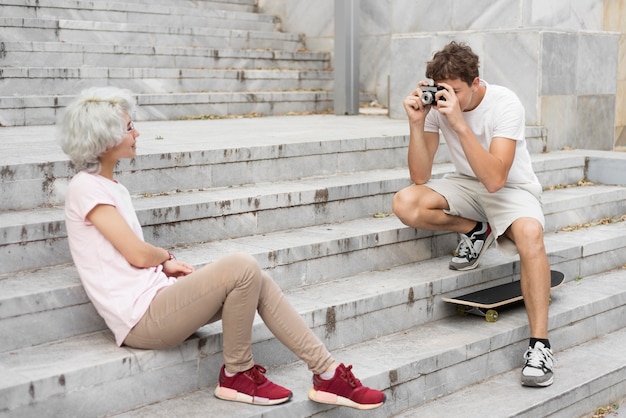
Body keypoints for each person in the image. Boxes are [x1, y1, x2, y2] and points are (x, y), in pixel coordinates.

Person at [59, 86, 386, 409]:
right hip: (140, 320)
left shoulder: (110, 187)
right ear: (103, 139)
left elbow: (127, 254)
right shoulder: (85, 187)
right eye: (129, 127)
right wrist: (165, 258)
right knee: (241, 266)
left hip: (156, 300)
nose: (137, 133)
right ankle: (237, 373)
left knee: (257, 279)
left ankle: (327, 374)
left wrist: (162, 267)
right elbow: (137, 253)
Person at [392, 42, 554, 387]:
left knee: (530, 234)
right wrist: (417, 124)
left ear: (476, 83)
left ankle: (540, 345)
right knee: (406, 202)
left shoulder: (504, 102)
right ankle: (476, 229)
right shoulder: (437, 108)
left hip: (510, 188)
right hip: (465, 185)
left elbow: (496, 178)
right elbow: (420, 177)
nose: (446, 98)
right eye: (441, 90)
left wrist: (460, 124)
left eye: (456, 91)